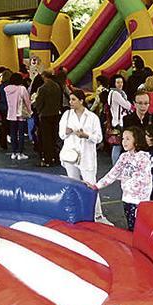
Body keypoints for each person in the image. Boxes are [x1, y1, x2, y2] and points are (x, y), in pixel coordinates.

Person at [92, 126, 153, 231]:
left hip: (139, 200)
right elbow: (113, 173)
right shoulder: (124, 156)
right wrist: (97, 185)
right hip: (126, 198)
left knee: (139, 227)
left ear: (137, 140)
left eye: (128, 139)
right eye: (123, 138)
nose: (124, 142)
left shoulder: (144, 158)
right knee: (130, 225)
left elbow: (144, 179)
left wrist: (127, 182)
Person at [59, 89, 106, 222]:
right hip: (70, 155)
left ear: (81, 101)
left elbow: (99, 138)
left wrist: (87, 135)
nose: (71, 102)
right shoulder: (66, 115)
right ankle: (76, 212)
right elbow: (61, 135)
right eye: (70, 99)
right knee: (73, 184)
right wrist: (67, 132)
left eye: (74, 99)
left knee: (91, 185)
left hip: (87, 156)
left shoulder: (92, 117)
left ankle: (97, 214)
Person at [34, 70, 63, 167]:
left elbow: (39, 103)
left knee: (46, 138)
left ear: (44, 77)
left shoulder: (42, 88)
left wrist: (38, 110)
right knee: (54, 136)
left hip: (45, 115)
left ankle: (48, 159)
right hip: (55, 114)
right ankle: (56, 156)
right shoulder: (57, 86)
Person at [4, 73, 31, 161]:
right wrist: (29, 111)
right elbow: (27, 101)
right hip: (20, 115)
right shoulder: (22, 89)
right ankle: (20, 153)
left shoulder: (7, 89)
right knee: (21, 134)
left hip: (11, 114)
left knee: (13, 134)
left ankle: (14, 152)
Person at [107, 74, 131, 164]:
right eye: (118, 82)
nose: (120, 84)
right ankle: (115, 165)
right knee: (118, 145)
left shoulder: (112, 93)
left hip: (115, 120)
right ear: (114, 83)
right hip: (119, 122)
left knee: (118, 144)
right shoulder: (117, 94)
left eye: (121, 82)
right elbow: (127, 105)